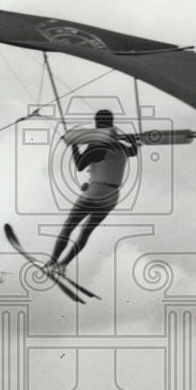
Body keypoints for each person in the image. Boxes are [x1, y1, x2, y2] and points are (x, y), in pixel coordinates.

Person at [45, 109, 138, 274]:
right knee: (86, 232)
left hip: (94, 192)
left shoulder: (96, 144)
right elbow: (133, 151)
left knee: (69, 227)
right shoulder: (122, 146)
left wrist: (73, 145)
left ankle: (52, 262)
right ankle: (63, 265)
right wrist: (133, 142)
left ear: (96, 124)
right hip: (111, 196)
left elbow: (80, 165)